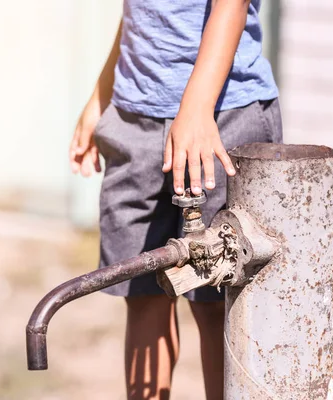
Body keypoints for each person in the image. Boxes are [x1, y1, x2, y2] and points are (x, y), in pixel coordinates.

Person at [69, 1, 282, 399]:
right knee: (142, 294)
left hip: (221, 118)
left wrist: (196, 109)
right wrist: (101, 97)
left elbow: (230, 6)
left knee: (218, 299)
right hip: (134, 122)